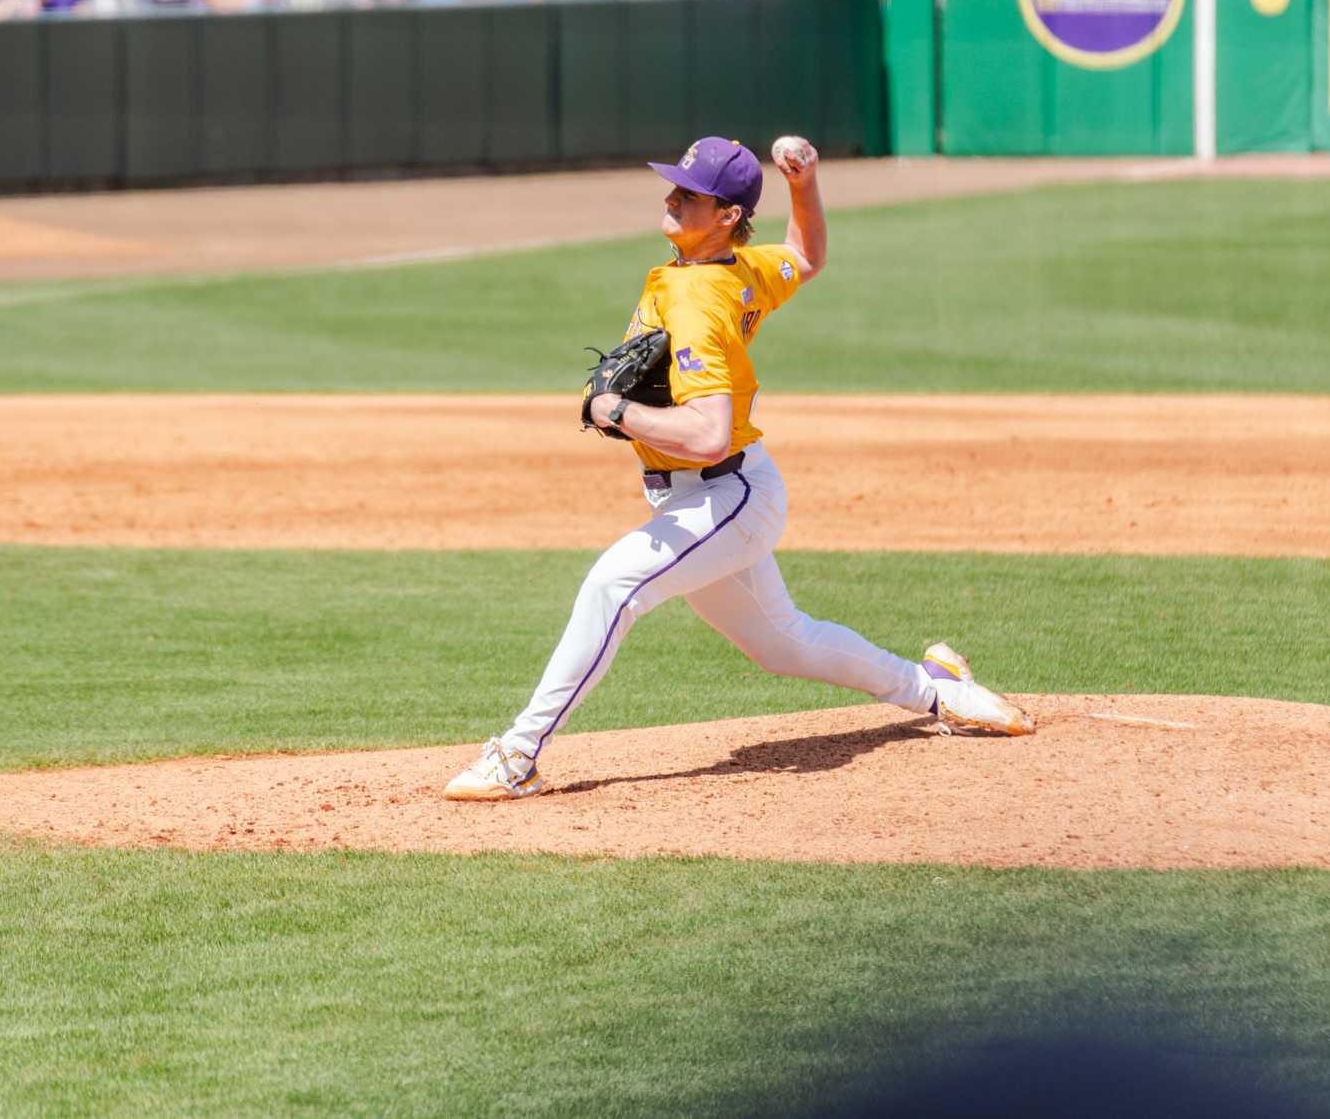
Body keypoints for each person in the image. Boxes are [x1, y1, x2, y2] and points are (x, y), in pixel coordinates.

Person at [443, 136, 1034, 801]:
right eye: (674, 185)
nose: (672, 197)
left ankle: (518, 754)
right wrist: (804, 183)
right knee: (784, 643)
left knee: (614, 584)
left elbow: (706, 433)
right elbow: (805, 256)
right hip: (709, 496)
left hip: (728, 493)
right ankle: (937, 687)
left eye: (690, 194)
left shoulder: (701, 298)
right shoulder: (739, 268)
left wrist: (615, 410)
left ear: (726, 215)